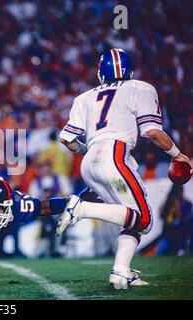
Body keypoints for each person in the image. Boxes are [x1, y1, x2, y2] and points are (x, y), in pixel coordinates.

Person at [57, 48, 193, 289]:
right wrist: (178, 154)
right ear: (130, 71)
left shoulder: (84, 98)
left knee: (132, 217)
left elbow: (66, 140)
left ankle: (121, 272)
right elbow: (151, 132)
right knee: (145, 218)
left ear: (101, 74)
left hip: (90, 160)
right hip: (115, 154)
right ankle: (82, 208)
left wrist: (86, 152)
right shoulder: (139, 88)